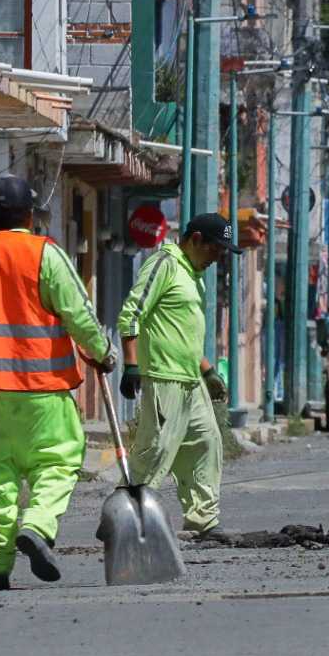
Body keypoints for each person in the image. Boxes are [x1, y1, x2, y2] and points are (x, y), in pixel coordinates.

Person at [0, 175, 117, 591]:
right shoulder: (45, 255)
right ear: (31, 216)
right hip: (42, 391)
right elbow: (78, 314)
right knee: (58, 463)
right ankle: (37, 525)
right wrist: (103, 353)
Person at [117, 212, 243, 538]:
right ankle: (121, 517)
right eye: (216, 249)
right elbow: (131, 314)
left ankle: (203, 520)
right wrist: (131, 365)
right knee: (155, 450)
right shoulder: (164, 264)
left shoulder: (193, 275)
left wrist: (209, 371)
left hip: (190, 378)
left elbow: (183, 335)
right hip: (163, 377)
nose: (218, 258)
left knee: (206, 443)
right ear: (195, 239)